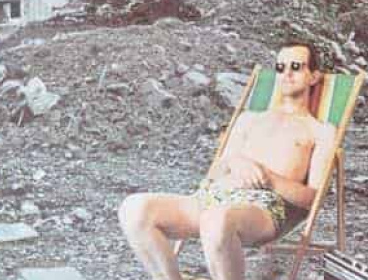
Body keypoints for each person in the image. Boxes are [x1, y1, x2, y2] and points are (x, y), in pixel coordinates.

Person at [119, 42, 337, 280]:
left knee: (217, 219)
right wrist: (234, 162)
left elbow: (313, 199)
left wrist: (270, 179)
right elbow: (215, 172)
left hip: (261, 208)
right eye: (280, 67)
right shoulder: (249, 119)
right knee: (134, 208)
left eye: (296, 67)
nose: (286, 73)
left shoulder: (320, 131)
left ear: (314, 76)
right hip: (211, 197)